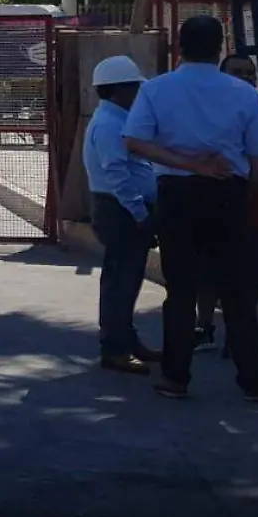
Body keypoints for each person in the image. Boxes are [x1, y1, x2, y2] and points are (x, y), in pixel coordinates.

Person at [123, 14, 258, 401]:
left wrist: (189, 165)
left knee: (181, 290)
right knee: (237, 291)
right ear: (220, 48)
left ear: (179, 47)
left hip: (178, 195)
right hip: (229, 193)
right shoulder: (243, 93)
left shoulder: (157, 90)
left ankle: (176, 377)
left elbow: (135, 141)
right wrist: (242, 192)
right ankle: (253, 381)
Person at [194, 53, 258, 350]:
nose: (245, 77)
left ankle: (239, 332)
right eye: (237, 71)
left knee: (251, 278)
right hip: (213, 207)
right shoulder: (205, 112)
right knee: (208, 274)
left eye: (249, 72)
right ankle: (204, 325)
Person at [82, 55, 162, 374]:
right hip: (119, 210)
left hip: (120, 209)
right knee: (121, 282)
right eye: (133, 88)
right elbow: (117, 174)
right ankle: (115, 348)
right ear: (118, 90)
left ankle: (126, 340)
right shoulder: (109, 124)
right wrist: (141, 213)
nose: (138, 95)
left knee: (126, 279)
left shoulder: (115, 119)